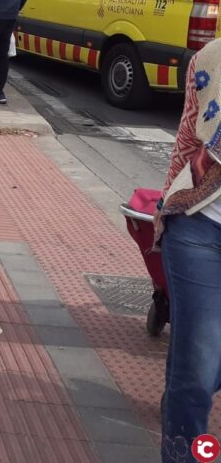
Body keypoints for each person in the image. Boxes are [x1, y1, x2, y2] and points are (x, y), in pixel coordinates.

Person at [155, 36, 221, 462]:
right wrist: (166, 206)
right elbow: (187, 137)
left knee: (204, 367)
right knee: (196, 376)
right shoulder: (211, 58)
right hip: (200, 226)